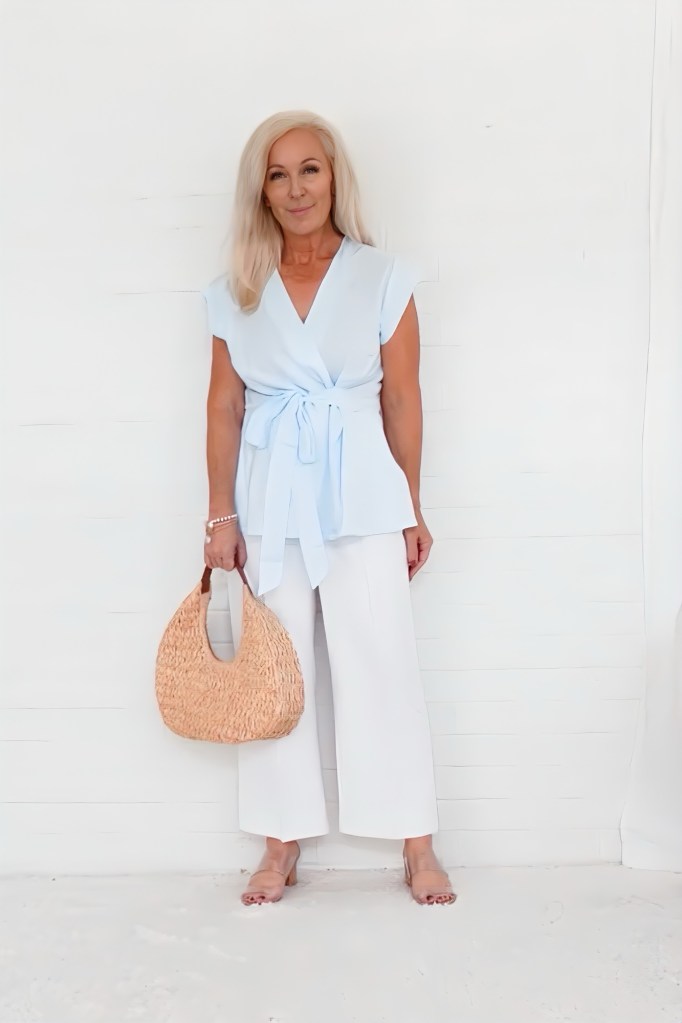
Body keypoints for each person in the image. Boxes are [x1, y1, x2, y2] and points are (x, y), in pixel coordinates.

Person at [201, 110, 456, 907]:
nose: (296, 187)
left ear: (334, 176)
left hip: (364, 490)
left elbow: (404, 399)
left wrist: (410, 505)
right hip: (269, 495)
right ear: (262, 191)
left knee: (382, 658)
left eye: (309, 169)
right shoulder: (235, 290)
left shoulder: (384, 276)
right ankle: (281, 840)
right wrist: (220, 517)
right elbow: (222, 409)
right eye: (277, 174)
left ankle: (417, 838)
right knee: (278, 674)